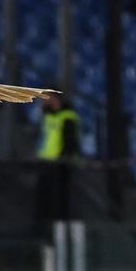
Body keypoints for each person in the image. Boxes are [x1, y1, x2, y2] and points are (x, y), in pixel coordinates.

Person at [36, 92, 80, 222]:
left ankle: (59, 232)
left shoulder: (67, 117)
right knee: (44, 201)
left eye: (46, 98)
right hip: (46, 162)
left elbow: (70, 142)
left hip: (60, 165)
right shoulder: (48, 116)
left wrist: (64, 158)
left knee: (60, 202)